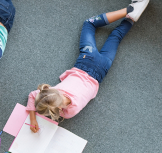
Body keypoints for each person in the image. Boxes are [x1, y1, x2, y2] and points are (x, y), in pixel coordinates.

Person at [26, 0, 150, 132]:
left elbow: (52, 108)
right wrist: (32, 116)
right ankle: (129, 10)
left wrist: (36, 118)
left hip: (102, 68)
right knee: (89, 24)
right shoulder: (52, 91)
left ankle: (131, 19)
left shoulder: (69, 112)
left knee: (117, 36)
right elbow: (33, 95)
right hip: (86, 60)